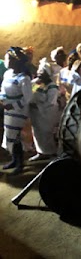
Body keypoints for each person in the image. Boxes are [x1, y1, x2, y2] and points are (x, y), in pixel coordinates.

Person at [1, 47, 33, 175]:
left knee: (16, 137)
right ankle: (14, 160)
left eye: (7, 58)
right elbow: (4, 90)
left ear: (14, 61)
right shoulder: (7, 73)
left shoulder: (24, 78)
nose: (5, 60)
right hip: (8, 109)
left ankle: (20, 163)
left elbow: (28, 98)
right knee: (9, 135)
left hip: (18, 111)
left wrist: (13, 105)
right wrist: (2, 100)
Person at [29, 58, 62, 161]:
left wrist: (37, 106)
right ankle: (41, 152)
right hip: (36, 114)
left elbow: (50, 103)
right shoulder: (36, 83)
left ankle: (50, 153)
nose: (39, 74)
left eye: (41, 72)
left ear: (47, 74)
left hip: (47, 114)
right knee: (37, 134)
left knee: (46, 134)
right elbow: (30, 94)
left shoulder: (52, 87)